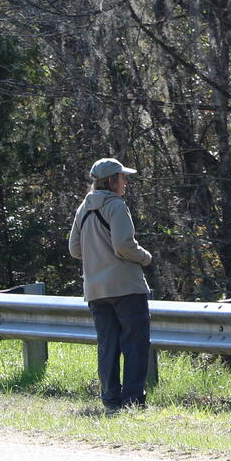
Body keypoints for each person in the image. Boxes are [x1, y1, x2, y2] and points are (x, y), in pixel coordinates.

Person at [68, 157, 153, 411]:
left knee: (108, 345)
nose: (125, 182)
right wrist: (145, 257)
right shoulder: (116, 206)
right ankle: (134, 400)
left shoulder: (83, 208)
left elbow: (74, 249)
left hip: (95, 289)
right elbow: (123, 245)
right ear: (112, 180)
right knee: (135, 344)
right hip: (126, 287)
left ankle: (110, 399)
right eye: (122, 177)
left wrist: (97, 256)